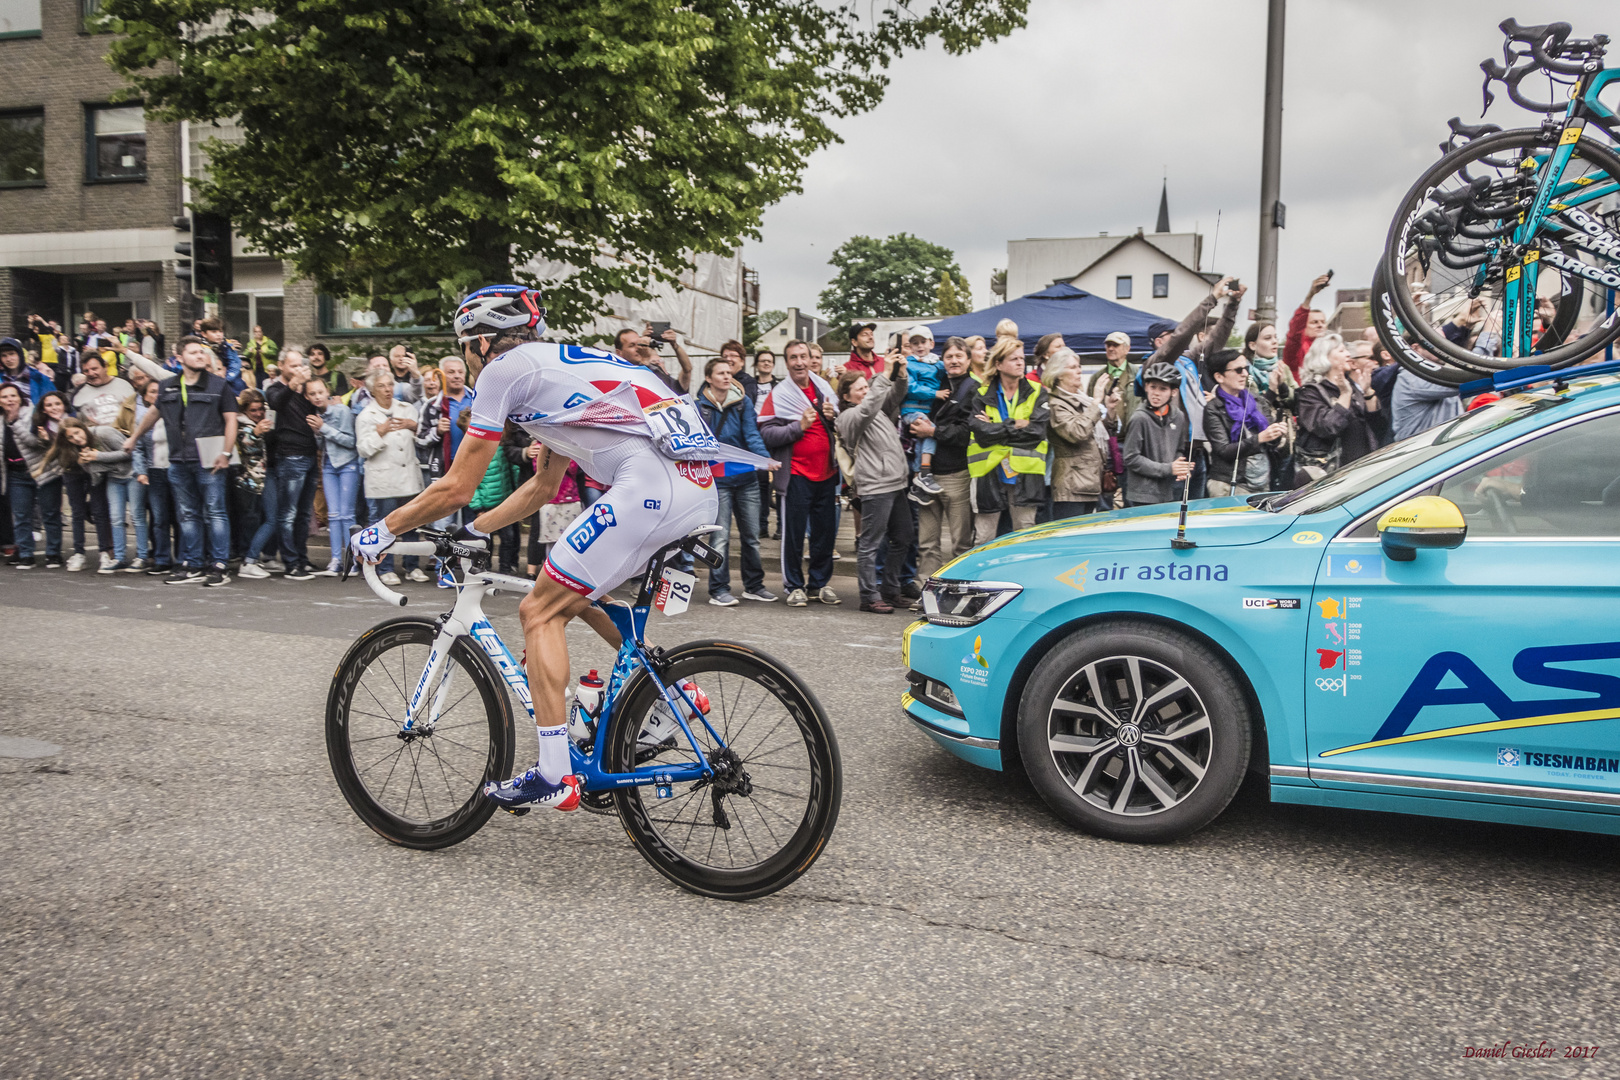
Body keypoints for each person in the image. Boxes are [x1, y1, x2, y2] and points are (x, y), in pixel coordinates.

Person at [350, 285, 745, 813]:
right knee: (570, 594)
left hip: (648, 489)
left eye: (466, 346)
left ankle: (556, 772)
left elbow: (456, 486)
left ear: (483, 343)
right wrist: (478, 530)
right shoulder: (565, 370)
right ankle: (669, 696)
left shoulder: (503, 372)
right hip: (698, 493)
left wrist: (382, 531)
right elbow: (541, 487)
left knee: (538, 609)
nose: (466, 358)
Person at [123, 336, 240, 586]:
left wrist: (227, 452)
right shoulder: (168, 386)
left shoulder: (219, 386)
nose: (200, 356)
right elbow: (154, 413)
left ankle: (219, 565)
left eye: (202, 352)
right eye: (194, 352)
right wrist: (134, 438)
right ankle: (193, 563)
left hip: (210, 460)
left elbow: (231, 420)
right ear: (179, 358)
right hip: (178, 461)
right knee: (187, 515)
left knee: (215, 513)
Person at [759, 338, 841, 607]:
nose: (799, 362)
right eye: (793, 358)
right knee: (793, 536)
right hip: (796, 475)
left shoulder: (824, 388)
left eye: (803, 356)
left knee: (825, 534)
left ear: (810, 358)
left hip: (827, 474)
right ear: (787, 363)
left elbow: (839, 423)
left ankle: (819, 584)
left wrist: (832, 417)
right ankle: (793, 585)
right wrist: (799, 427)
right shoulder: (779, 394)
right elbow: (767, 434)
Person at [835, 357, 915, 613]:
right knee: (870, 543)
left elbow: (895, 395)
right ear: (847, 396)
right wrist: (885, 373)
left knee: (903, 537)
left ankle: (890, 590)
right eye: (860, 388)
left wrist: (900, 374)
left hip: (895, 483)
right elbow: (868, 408)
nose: (866, 391)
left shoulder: (876, 409)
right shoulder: (848, 416)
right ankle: (869, 596)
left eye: (866, 387)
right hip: (875, 486)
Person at [695, 357, 775, 606]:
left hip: (747, 478)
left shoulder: (743, 403)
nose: (727, 376)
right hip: (718, 481)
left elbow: (752, 435)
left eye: (729, 373)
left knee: (751, 536)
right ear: (709, 378)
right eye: (721, 373)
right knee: (720, 538)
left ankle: (754, 586)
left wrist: (764, 459)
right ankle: (718, 589)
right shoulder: (700, 407)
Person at [967, 337, 1048, 543]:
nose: (1020, 363)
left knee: (1025, 536)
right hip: (989, 472)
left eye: (1021, 358)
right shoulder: (981, 394)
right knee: (983, 538)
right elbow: (981, 433)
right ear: (998, 364)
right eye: (1013, 359)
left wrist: (997, 428)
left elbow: (1037, 432)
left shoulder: (1038, 392)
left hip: (1026, 473)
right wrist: (1016, 424)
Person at [910, 337, 977, 577]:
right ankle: (925, 592)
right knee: (927, 543)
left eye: (959, 356)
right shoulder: (934, 382)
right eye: (949, 356)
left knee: (960, 543)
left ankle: (959, 593)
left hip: (956, 474)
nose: (954, 361)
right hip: (927, 475)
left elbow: (966, 432)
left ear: (968, 360)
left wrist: (933, 432)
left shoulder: (973, 388)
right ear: (943, 360)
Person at [353, 368, 426, 583]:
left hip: (409, 478)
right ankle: (385, 568)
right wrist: (380, 432)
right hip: (383, 481)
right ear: (372, 391)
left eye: (390, 385)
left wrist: (414, 426)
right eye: (381, 386)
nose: (387, 390)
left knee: (411, 522)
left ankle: (412, 566)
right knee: (385, 526)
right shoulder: (366, 416)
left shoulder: (407, 409)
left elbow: (423, 440)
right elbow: (363, 450)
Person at [258, 350, 324, 579]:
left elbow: (320, 404)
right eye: (293, 365)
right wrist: (293, 384)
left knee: (305, 514)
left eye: (300, 366)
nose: (297, 370)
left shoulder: (305, 390)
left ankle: (302, 559)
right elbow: (276, 403)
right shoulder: (275, 388)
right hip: (290, 457)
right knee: (288, 513)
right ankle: (290, 562)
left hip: (310, 454)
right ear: (282, 365)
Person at [1203, 349, 1287, 496]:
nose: (1245, 374)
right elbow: (1223, 450)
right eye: (1238, 370)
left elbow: (1272, 443)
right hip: (1229, 485)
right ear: (1219, 376)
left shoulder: (1257, 400)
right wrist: (1260, 438)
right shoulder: (1213, 408)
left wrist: (1277, 431)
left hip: (1263, 482)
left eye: (1246, 369)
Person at [1295, 333, 1377, 480]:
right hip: (1334, 475)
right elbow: (1328, 427)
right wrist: (1345, 395)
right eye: (1341, 351)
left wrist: (1367, 392)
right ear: (1324, 357)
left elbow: (1377, 425)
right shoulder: (1309, 393)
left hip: (1363, 469)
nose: (1348, 354)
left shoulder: (1351, 386)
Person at [1040, 349, 1105, 520]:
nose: (1079, 371)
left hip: (1088, 482)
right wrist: (1096, 402)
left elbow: (1100, 429)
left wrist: (1110, 409)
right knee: (1068, 540)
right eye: (1073, 367)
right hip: (1071, 485)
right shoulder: (1055, 404)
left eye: (1079, 366)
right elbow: (1077, 433)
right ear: (1059, 374)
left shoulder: (1081, 400)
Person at [1120, 362, 1193, 507]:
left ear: (1174, 392)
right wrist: (1168, 469)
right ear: (1146, 387)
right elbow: (1131, 457)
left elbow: (1178, 449)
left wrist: (1181, 468)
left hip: (1167, 491)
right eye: (1152, 387)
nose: (1156, 393)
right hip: (1142, 495)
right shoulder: (1139, 418)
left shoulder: (1178, 416)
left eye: (1163, 389)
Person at [307, 377, 359, 575]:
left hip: (347, 464)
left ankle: (353, 560)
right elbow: (322, 445)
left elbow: (350, 441)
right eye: (312, 394)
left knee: (347, 515)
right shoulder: (316, 414)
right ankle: (336, 559)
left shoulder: (342, 410)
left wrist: (323, 428)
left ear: (327, 391)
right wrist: (318, 433)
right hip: (328, 466)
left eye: (320, 392)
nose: (317, 397)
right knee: (333, 516)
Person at [12, 391, 67, 568]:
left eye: (12, 396)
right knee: (21, 515)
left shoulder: (30, 416)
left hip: (44, 471)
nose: (9, 400)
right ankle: (26, 554)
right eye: (4, 397)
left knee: (51, 513)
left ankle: (53, 554)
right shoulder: (37, 421)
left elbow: (33, 443)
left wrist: (14, 423)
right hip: (15, 472)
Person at [897, 324, 946, 501]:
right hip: (911, 409)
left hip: (927, 409)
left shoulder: (937, 363)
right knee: (930, 431)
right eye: (914, 343)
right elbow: (911, 387)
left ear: (931, 343)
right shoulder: (909, 363)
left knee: (921, 441)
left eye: (922, 342)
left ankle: (918, 479)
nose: (919, 346)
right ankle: (925, 472)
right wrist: (935, 394)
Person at [229, 389, 271, 572]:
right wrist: (256, 432)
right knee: (249, 520)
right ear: (245, 410)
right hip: (246, 481)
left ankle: (252, 556)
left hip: (260, 480)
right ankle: (247, 558)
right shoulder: (241, 425)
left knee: (256, 519)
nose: (258, 413)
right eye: (253, 410)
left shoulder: (261, 422)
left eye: (261, 409)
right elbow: (245, 440)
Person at [1391, 362, 1464, 442]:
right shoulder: (1412, 377)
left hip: (1444, 442)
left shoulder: (1433, 373)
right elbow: (1458, 384)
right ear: (1416, 349)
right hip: (1424, 446)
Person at [1283, 271, 1333, 378]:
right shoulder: (1297, 351)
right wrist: (1310, 296)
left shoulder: (1333, 348)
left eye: (1323, 322)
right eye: (1314, 322)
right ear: (1303, 327)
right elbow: (1294, 333)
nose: (1320, 325)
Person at [71, 354, 135, 428]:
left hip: (125, 432)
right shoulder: (79, 394)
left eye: (94, 369)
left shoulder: (124, 385)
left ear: (105, 367)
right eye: (86, 371)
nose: (91, 373)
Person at [0, 337, 55, 405]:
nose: (8, 359)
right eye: (4, 355)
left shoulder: (39, 378)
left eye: (12, 354)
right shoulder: (1, 379)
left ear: (20, 355)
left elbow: (54, 403)